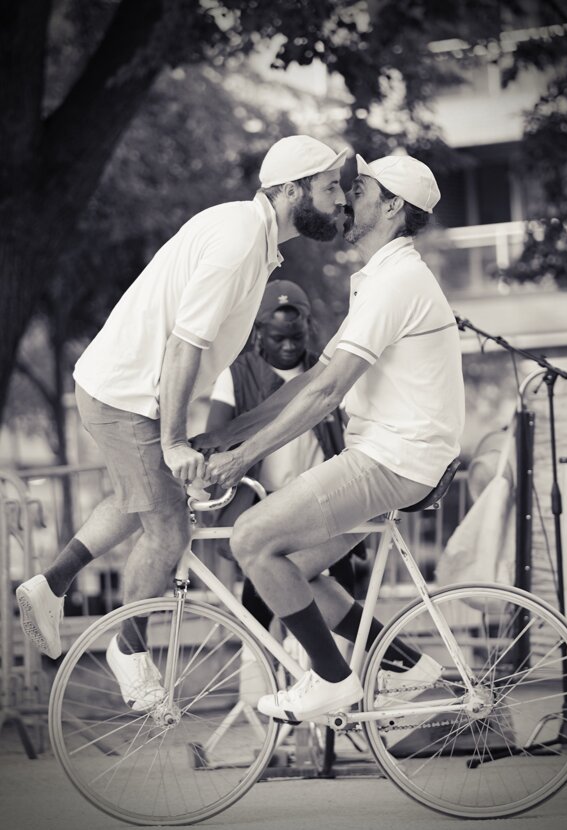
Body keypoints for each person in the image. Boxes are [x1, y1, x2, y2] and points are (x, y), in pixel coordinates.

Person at [16, 134, 348, 712]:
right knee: (170, 528)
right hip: (126, 395)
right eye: (331, 187)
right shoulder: (242, 239)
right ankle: (128, 650)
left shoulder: (257, 241)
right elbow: (185, 342)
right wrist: (172, 442)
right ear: (292, 190)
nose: (340, 199)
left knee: (139, 498)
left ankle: (52, 584)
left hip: (122, 389)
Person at [198, 152, 465, 723]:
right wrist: (219, 441)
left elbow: (326, 393)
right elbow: (316, 376)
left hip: (392, 458)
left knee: (250, 539)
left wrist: (242, 457)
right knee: (291, 562)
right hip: (395, 455)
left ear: (392, 206)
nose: (347, 196)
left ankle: (332, 680)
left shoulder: (399, 282)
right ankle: (409, 668)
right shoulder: (379, 278)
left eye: (361, 188)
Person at [202, 278, 362, 628]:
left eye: (297, 336)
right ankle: (259, 675)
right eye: (278, 338)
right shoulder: (236, 375)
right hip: (263, 500)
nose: (289, 346)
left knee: (339, 588)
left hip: (323, 496)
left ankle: (347, 672)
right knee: (261, 597)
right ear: (258, 332)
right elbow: (217, 438)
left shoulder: (325, 371)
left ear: (309, 327)